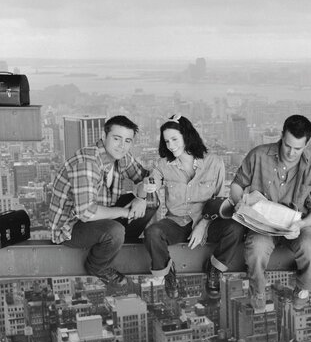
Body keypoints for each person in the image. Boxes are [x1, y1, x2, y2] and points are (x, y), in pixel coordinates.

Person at [228, 114, 311, 312]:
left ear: (306, 144)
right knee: (256, 250)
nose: (291, 153)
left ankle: (302, 290)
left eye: (298, 149)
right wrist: (241, 203)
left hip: (297, 224)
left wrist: (300, 225)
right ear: (281, 136)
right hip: (263, 223)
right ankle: (257, 291)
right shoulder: (258, 155)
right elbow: (237, 185)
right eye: (287, 145)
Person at [143, 115, 245, 299]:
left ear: (187, 136)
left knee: (236, 228)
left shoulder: (215, 162)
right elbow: (152, 182)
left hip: (209, 222)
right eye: (167, 141)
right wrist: (147, 187)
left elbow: (220, 201)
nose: (171, 146)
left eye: (174, 139)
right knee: (152, 233)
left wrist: (203, 223)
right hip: (177, 222)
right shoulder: (163, 165)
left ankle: (215, 269)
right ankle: (168, 272)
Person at [49, 115, 157, 286]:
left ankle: (117, 242)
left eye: (127, 141)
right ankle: (97, 266)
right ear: (104, 136)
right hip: (71, 227)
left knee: (152, 201)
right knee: (114, 231)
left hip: (101, 214)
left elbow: (148, 177)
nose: (122, 145)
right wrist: (124, 212)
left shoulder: (121, 157)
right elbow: (86, 213)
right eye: (117, 138)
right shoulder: (87, 163)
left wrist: (142, 198)